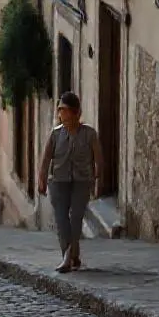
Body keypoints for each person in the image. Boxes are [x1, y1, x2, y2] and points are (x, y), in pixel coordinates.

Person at [38, 91, 102, 274]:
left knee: (75, 219)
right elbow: (46, 158)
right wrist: (42, 179)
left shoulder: (89, 134)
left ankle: (68, 257)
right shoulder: (56, 134)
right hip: (58, 181)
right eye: (60, 111)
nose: (61, 115)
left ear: (76, 113)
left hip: (82, 181)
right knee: (61, 220)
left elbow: (98, 158)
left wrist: (98, 177)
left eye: (65, 111)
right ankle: (70, 254)